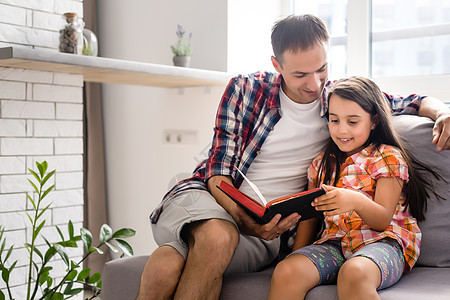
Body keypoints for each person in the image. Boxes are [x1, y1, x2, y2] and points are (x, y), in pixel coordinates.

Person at [137, 15, 450, 300]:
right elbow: (218, 176)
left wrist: (443, 111)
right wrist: (247, 223)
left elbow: (407, 102)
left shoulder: (337, 98)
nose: (314, 84)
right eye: (300, 74)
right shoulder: (246, 90)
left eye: (322, 70)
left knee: (167, 263)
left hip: (269, 226)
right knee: (217, 236)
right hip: (208, 195)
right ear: (277, 64)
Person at [268, 76, 439, 300]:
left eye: (352, 121)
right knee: (287, 271)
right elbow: (309, 220)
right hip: (334, 244)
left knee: (354, 272)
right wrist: (294, 255)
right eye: (334, 120)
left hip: (383, 243)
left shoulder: (387, 157)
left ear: (374, 121)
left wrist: (355, 200)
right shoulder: (321, 165)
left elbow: (382, 219)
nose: (341, 130)